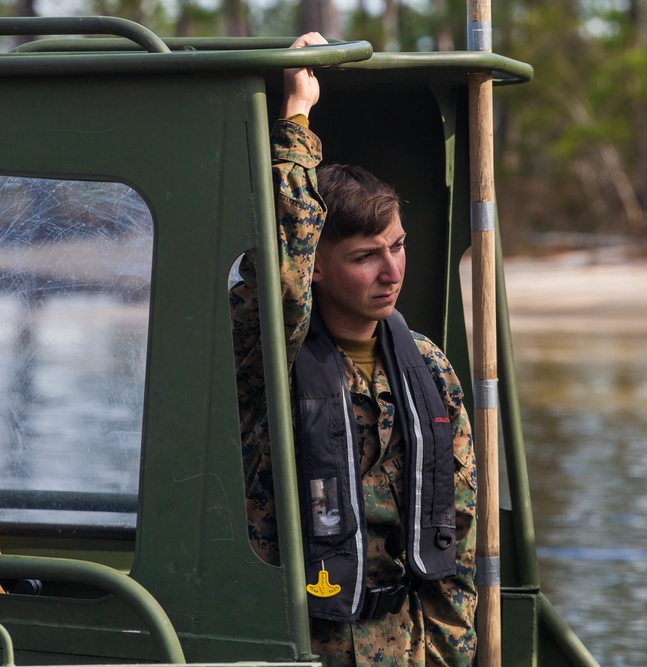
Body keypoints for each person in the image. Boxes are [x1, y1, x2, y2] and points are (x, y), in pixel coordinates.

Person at [229, 32, 477, 666]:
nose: (392, 271)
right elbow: (281, 271)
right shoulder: (270, 355)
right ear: (316, 264)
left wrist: (447, 654)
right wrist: (295, 120)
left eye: (396, 247)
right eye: (366, 257)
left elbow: (459, 530)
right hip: (301, 647)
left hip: (407, 648)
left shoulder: (427, 366)